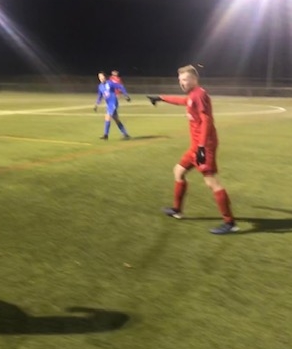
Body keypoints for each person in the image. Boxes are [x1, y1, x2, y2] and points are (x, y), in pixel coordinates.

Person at [147, 65, 238, 234]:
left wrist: (202, 147)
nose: (182, 83)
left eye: (185, 79)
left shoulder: (199, 94)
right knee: (178, 171)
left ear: (194, 79)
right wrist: (160, 98)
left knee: (211, 181)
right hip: (196, 146)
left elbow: (206, 120)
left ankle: (230, 222)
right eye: (180, 80)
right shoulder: (192, 95)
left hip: (204, 146)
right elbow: (181, 101)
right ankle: (177, 210)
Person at [94, 71, 131, 140]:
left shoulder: (110, 83)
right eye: (99, 77)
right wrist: (96, 104)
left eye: (102, 76)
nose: (101, 78)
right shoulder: (100, 86)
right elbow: (100, 96)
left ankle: (106, 135)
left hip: (113, 103)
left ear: (105, 77)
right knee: (116, 119)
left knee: (107, 117)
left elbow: (120, 86)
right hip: (109, 104)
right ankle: (125, 134)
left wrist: (126, 95)